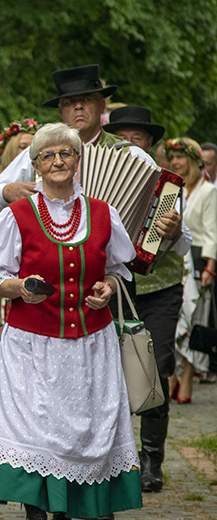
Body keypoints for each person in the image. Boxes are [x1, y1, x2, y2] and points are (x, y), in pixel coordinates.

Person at [0, 123, 142, 520]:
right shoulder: (17, 215)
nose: (58, 161)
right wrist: (20, 288)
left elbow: (118, 268)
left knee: (86, 432)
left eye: (66, 153)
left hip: (90, 343)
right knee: (35, 430)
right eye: (48, 155)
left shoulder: (103, 213)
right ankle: (36, 511)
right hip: (32, 345)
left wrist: (108, 288)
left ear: (78, 161)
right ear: (36, 165)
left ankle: (82, 508)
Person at [103, 105, 191, 492]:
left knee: (152, 367)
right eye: (120, 138)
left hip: (158, 288)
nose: (129, 146)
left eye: (136, 138)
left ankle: (151, 458)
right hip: (112, 288)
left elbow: (185, 243)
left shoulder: (165, 186)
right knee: (108, 370)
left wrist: (171, 231)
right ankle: (112, 456)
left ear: (150, 144)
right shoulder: (98, 174)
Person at [0, 64, 156, 224]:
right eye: (70, 102)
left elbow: (163, 208)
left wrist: (171, 228)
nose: (78, 107)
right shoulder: (38, 153)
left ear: (102, 105)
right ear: (60, 110)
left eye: (86, 100)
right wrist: (6, 193)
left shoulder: (131, 154)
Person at [169, 137, 217, 404]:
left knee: (193, 316)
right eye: (173, 158)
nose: (176, 163)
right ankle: (172, 376)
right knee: (176, 319)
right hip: (176, 259)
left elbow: (212, 231)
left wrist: (211, 266)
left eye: (181, 158)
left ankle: (186, 376)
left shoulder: (208, 191)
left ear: (194, 160)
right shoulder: (173, 189)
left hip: (198, 260)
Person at [0, 118, 39, 198]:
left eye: (33, 147)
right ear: (10, 151)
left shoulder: (45, 184)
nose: (28, 152)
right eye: (23, 147)